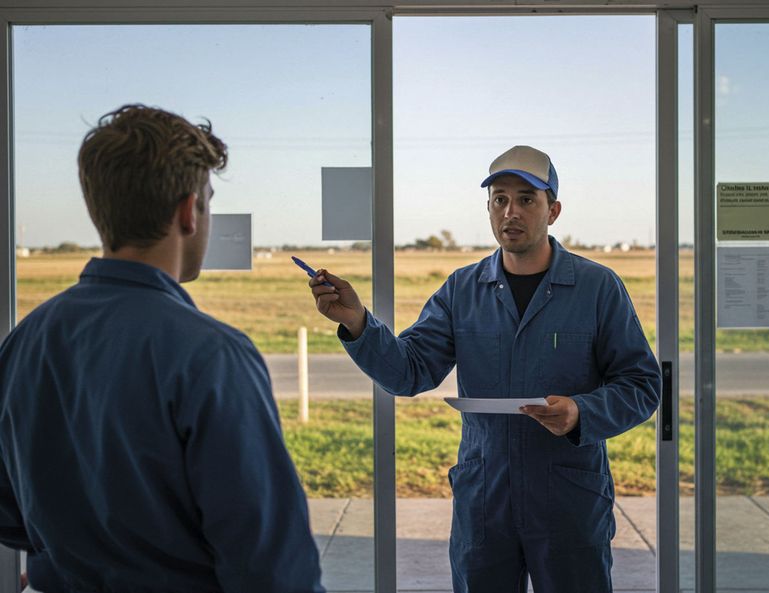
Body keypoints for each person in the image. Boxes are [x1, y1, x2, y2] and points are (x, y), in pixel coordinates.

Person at [0, 105, 324, 593]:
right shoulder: (213, 356)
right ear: (188, 212)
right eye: (209, 202)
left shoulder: (27, 340)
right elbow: (270, 566)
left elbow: (8, 513)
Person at [307, 145, 661, 592]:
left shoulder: (597, 287)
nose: (510, 211)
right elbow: (409, 371)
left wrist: (581, 413)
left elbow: (642, 384)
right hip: (485, 498)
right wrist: (357, 322)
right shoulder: (462, 289)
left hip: (569, 496)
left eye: (526, 199)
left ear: (553, 210)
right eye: (499, 199)